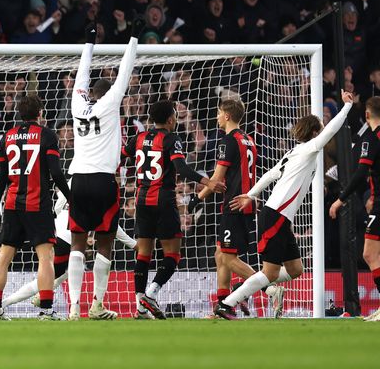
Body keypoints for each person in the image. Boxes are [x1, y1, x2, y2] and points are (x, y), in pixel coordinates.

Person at [216, 90, 354, 320]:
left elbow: (270, 174)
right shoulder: (309, 149)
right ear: (314, 132)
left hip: (280, 216)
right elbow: (331, 130)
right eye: (319, 130)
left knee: (295, 270)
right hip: (276, 215)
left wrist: (250, 195)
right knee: (269, 272)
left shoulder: (294, 152)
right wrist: (347, 107)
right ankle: (228, 303)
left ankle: (247, 287)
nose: (323, 134)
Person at [123, 100, 225, 319]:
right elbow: (181, 168)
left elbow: (123, 155)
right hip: (163, 200)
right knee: (173, 254)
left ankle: (140, 307)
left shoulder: (138, 138)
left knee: (143, 253)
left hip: (141, 200)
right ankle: (150, 294)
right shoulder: (171, 139)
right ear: (170, 119)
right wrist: (208, 182)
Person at [65, 26, 137, 321]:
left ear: (89, 93)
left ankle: (72, 307)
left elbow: (81, 75)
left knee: (77, 244)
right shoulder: (111, 102)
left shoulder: (77, 103)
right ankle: (96, 305)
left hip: (78, 180)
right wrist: (132, 38)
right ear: (108, 95)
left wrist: (89, 41)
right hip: (105, 181)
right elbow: (125, 71)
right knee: (105, 242)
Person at [193, 99, 284, 317]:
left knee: (227, 258)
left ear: (226, 116)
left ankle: (270, 289)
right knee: (220, 254)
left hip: (234, 205)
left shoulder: (227, 141)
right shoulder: (249, 139)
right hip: (246, 204)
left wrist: (197, 198)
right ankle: (223, 306)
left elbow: (216, 178)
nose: (216, 117)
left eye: (218, 113)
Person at [0, 94, 71, 321]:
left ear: (19, 114)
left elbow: (2, 176)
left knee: (4, 256)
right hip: (38, 204)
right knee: (45, 256)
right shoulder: (47, 135)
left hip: (13, 203)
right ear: (40, 113)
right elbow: (55, 172)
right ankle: (45, 310)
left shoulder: (7, 137)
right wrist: (70, 196)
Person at [1, 184, 137, 311]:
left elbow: (59, 205)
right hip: (67, 240)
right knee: (47, 278)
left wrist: (56, 221)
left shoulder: (74, 180)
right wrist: (133, 244)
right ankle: (6, 302)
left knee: (71, 266)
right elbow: (113, 226)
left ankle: (41, 293)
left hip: (54, 233)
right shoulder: (102, 185)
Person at [329, 96, 380, 321]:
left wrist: (341, 199)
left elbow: (360, 174)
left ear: (367, 115)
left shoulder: (371, 138)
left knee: (369, 253)